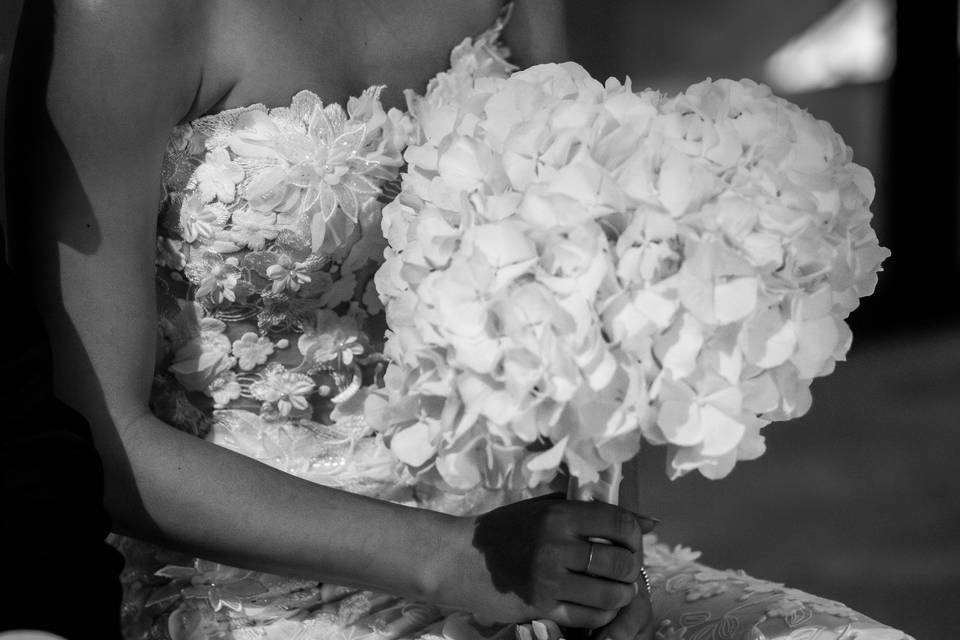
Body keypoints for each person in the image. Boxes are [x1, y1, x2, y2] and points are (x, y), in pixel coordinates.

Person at [4, 1, 914, 638]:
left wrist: (598, 558)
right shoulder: (120, 15)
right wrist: (449, 560)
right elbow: (98, 437)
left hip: (523, 555)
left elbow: (593, 277)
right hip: (256, 585)